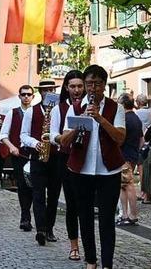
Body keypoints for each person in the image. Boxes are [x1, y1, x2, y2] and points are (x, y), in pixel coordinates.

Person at [59, 64, 126, 269]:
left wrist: (100, 118)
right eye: (89, 84)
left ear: (104, 85)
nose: (92, 88)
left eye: (97, 84)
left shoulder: (116, 108)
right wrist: (80, 122)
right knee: (85, 217)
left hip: (109, 171)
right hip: (81, 170)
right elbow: (63, 140)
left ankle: (107, 264)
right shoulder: (75, 107)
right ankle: (90, 260)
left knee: (106, 220)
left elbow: (120, 137)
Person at [20, 79, 62, 246]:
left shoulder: (60, 110)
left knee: (53, 196)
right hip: (38, 157)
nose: (47, 93)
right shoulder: (32, 111)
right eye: (44, 90)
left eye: (50, 90)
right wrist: (34, 143)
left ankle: (49, 228)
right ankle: (40, 230)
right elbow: (23, 135)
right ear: (40, 92)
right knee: (38, 195)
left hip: (56, 157)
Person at [50, 70, 84, 261]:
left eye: (80, 86)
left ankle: (89, 244)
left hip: (87, 158)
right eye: (72, 86)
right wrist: (64, 137)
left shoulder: (90, 106)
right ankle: (74, 246)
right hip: (66, 159)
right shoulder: (59, 109)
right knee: (71, 204)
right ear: (66, 88)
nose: (76, 90)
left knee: (85, 204)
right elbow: (54, 136)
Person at [0, 84, 34, 232]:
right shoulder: (12, 113)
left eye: (29, 94)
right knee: (22, 186)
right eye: (23, 94)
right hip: (18, 154)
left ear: (33, 96)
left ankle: (36, 216)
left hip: (35, 154)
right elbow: (3, 135)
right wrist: (11, 146)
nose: (26, 97)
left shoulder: (38, 112)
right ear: (19, 96)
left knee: (35, 186)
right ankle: (25, 216)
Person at [117, 93, 142, 226]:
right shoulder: (136, 118)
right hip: (132, 155)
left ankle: (130, 215)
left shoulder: (124, 119)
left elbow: (120, 139)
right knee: (125, 186)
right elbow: (141, 139)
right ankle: (127, 214)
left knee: (127, 186)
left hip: (124, 156)